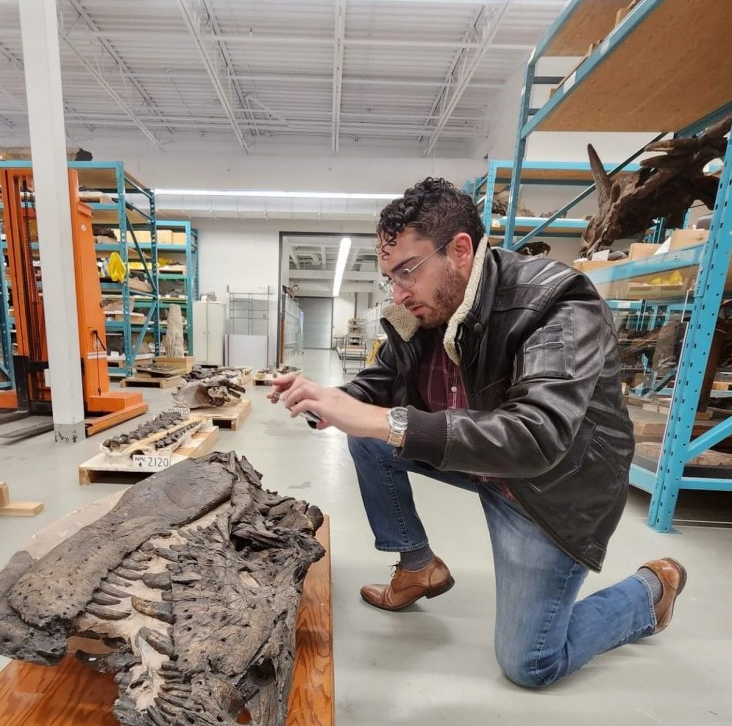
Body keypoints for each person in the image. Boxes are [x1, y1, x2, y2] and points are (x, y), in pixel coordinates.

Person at [270, 177, 686, 689]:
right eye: (390, 278)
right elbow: (384, 381)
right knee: (369, 436)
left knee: (530, 663)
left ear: (460, 250)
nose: (397, 293)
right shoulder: (420, 309)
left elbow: (536, 435)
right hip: (479, 460)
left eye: (407, 272)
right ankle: (417, 565)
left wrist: (377, 419)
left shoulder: (557, 302)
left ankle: (649, 591)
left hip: (547, 486)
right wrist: (328, 400)